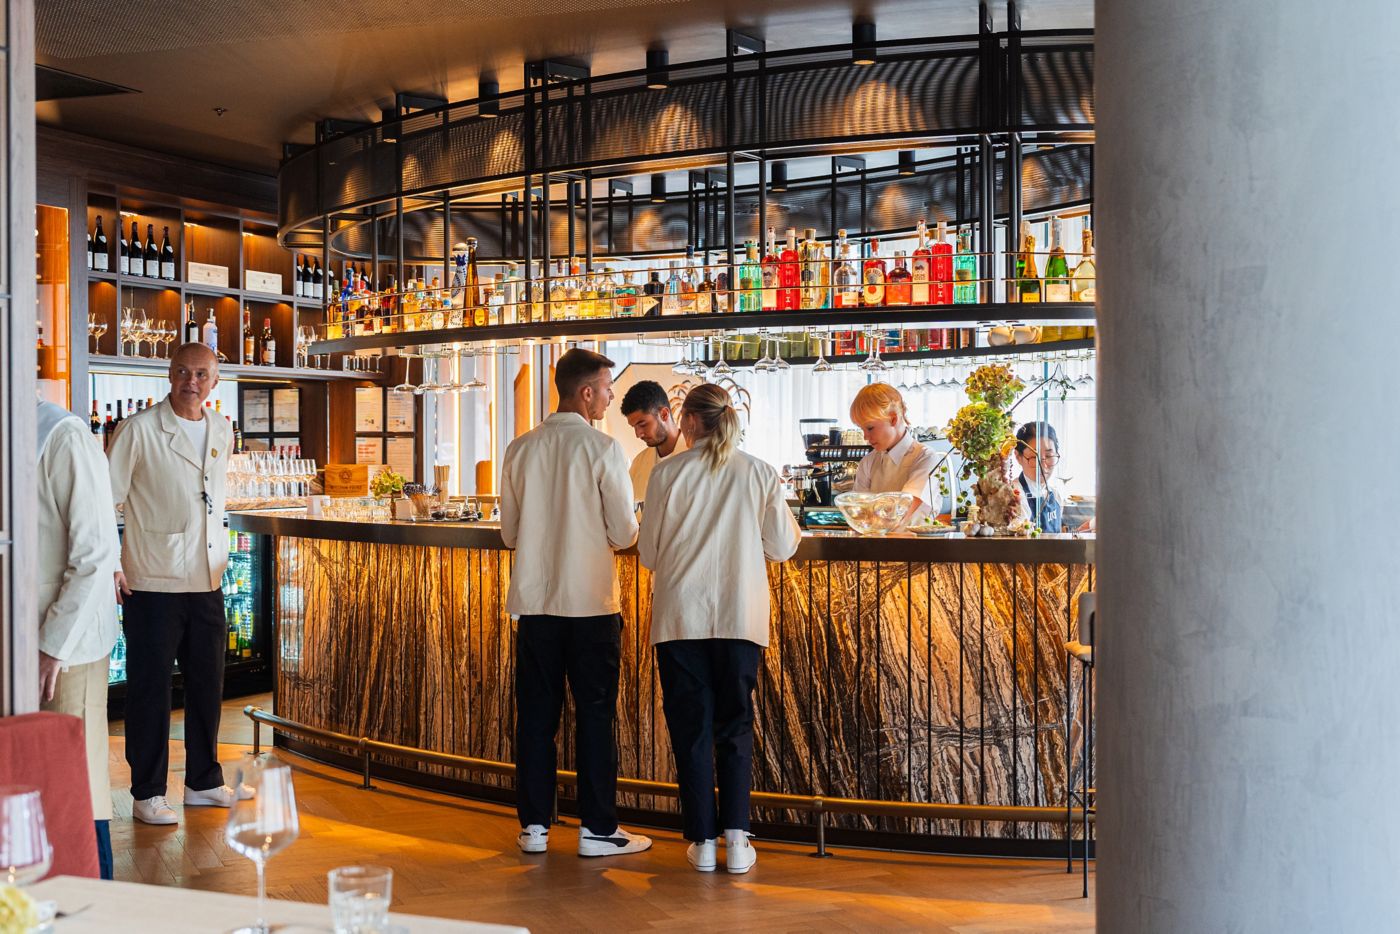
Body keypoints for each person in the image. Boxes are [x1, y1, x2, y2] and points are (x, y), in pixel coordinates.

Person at [638, 383, 801, 874]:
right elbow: (784, 546)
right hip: (739, 615)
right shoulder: (759, 472)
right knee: (735, 725)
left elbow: (647, 553)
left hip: (679, 618)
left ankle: (703, 842)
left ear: (687, 420)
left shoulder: (666, 474)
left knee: (691, 730)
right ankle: (737, 837)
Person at [499, 347, 651, 858]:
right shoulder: (603, 450)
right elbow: (626, 533)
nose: (610, 396)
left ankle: (534, 828)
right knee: (594, 715)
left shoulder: (520, 448)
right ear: (585, 392)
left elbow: (509, 533)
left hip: (536, 606)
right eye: (607, 388)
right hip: (590, 604)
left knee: (536, 716)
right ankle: (597, 829)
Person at [107, 342, 247, 826]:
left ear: (214, 382)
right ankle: (147, 792)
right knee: (150, 691)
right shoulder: (140, 429)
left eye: (202, 374)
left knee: (209, 684)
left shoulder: (220, 429)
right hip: (152, 579)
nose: (192, 381)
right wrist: (111, 564)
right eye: (184, 372)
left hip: (207, 576)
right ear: (170, 375)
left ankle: (203, 782)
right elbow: (106, 499)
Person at [35, 398, 121, 877]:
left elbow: (94, 553)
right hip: (20, 639)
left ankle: (96, 899)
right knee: (31, 776)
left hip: (67, 646)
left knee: (76, 783)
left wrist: (52, 645)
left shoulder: (63, 435)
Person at [849, 383, 939, 525]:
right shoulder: (868, 462)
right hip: (874, 545)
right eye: (862, 429)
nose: (865, 436)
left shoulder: (926, 457)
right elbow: (859, 515)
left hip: (918, 545)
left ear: (893, 419)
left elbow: (901, 511)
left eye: (870, 428)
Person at [619, 379, 687, 503]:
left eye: (643, 424)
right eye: (634, 427)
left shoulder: (698, 456)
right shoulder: (638, 465)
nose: (638, 434)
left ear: (664, 414)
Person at [1014, 421, 1068, 532]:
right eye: (1034, 457)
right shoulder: (1014, 496)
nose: (1043, 465)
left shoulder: (1055, 494)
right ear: (1018, 457)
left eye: (1049, 456)